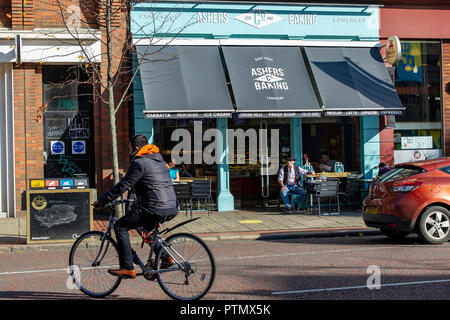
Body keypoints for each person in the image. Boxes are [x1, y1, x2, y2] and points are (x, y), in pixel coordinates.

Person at [93, 134, 178, 279]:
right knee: (144, 228)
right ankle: (166, 257)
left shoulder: (140, 163)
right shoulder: (160, 162)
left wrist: (101, 201)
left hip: (155, 207)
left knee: (120, 226)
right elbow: (151, 186)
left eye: (129, 149)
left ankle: (128, 268)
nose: (129, 152)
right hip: (171, 206)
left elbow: (122, 186)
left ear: (136, 148)